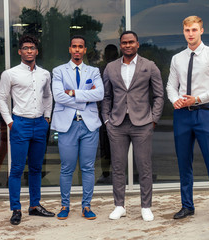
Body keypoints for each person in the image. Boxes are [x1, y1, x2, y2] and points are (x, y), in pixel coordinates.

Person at [166, 16, 209, 225]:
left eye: (194, 29)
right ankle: (187, 206)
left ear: (202, 30)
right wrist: (175, 100)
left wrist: (198, 98)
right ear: (183, 31)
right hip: (182, 116)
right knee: (184, 163)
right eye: (187, 30)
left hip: (205, 113)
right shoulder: (177, 59)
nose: (190, 34)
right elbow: (170, 86)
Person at [101, 31, 164, 222]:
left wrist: (153, 119)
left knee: (144, 167)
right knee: (118, 167)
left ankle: (146, 206)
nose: (128, 45)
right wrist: (106, 120)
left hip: (142, 123)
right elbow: (106, 96)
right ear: (120, 45)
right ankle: (119, 206)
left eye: (131, 42)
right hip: (117, 124)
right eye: (124, 43)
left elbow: (159, 95)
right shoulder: (110, 67)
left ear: (137, 44)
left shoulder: (149, 66)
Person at [0, 35, 54, 225]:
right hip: (20, 124)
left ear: (37, 51)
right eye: (25, 48)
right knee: (17, 169)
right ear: (20, 51)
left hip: (40, 124)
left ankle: (34, 206)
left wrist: (47, 117)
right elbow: (1, 98)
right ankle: (16, 209)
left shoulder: (44, 74)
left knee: (36, 168)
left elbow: (48, 96)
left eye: (32, 48)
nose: (29, 51)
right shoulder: (10, 74)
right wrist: (10, 122)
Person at [51, 35, 104, 220]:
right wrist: (84, 98)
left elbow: (99, 93)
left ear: (85, 49)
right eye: (74, 46)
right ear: (69, 49)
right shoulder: (58, 71)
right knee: (67, 168)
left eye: (80, 47)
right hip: (67, 126)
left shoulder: (93, 71)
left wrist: (73, 93)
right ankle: (65, 205)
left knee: (88, 168)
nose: (77, 50)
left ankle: (86, 206)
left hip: (89, 126)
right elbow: (58, 96)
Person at [97, 44, 119, 184]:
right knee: (104, 147)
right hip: (103, 113)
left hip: (120, 112)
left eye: (113, 55)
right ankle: (105, 174)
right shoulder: (99, 70)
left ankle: (128, 176)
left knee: (121, 147)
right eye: (108, 55)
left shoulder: (121, 68)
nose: (110, 57)